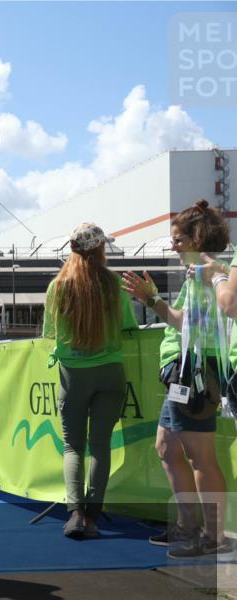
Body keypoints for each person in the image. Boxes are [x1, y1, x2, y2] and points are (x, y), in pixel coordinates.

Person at [125, 200, 233, 558]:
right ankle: (190, 527)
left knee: (200, 457)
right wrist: (152, 298)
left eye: (177, 239)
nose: (172, 246)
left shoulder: (206, 270)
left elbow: (183, 321)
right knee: (167, 448)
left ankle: (212, 537)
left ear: (196, 238)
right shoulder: (205, 269)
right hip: (188, 370)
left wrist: (151, 300)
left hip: (195, 370)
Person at [42, 223, 138, 540]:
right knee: (100, 446)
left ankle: (75, 515)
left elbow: (49, 334)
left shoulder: (57, 287)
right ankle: (93, 518)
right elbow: (128, 327)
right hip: (110, 372)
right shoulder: (114, 284)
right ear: (101, 248)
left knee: (73, 446)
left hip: (73, 376)